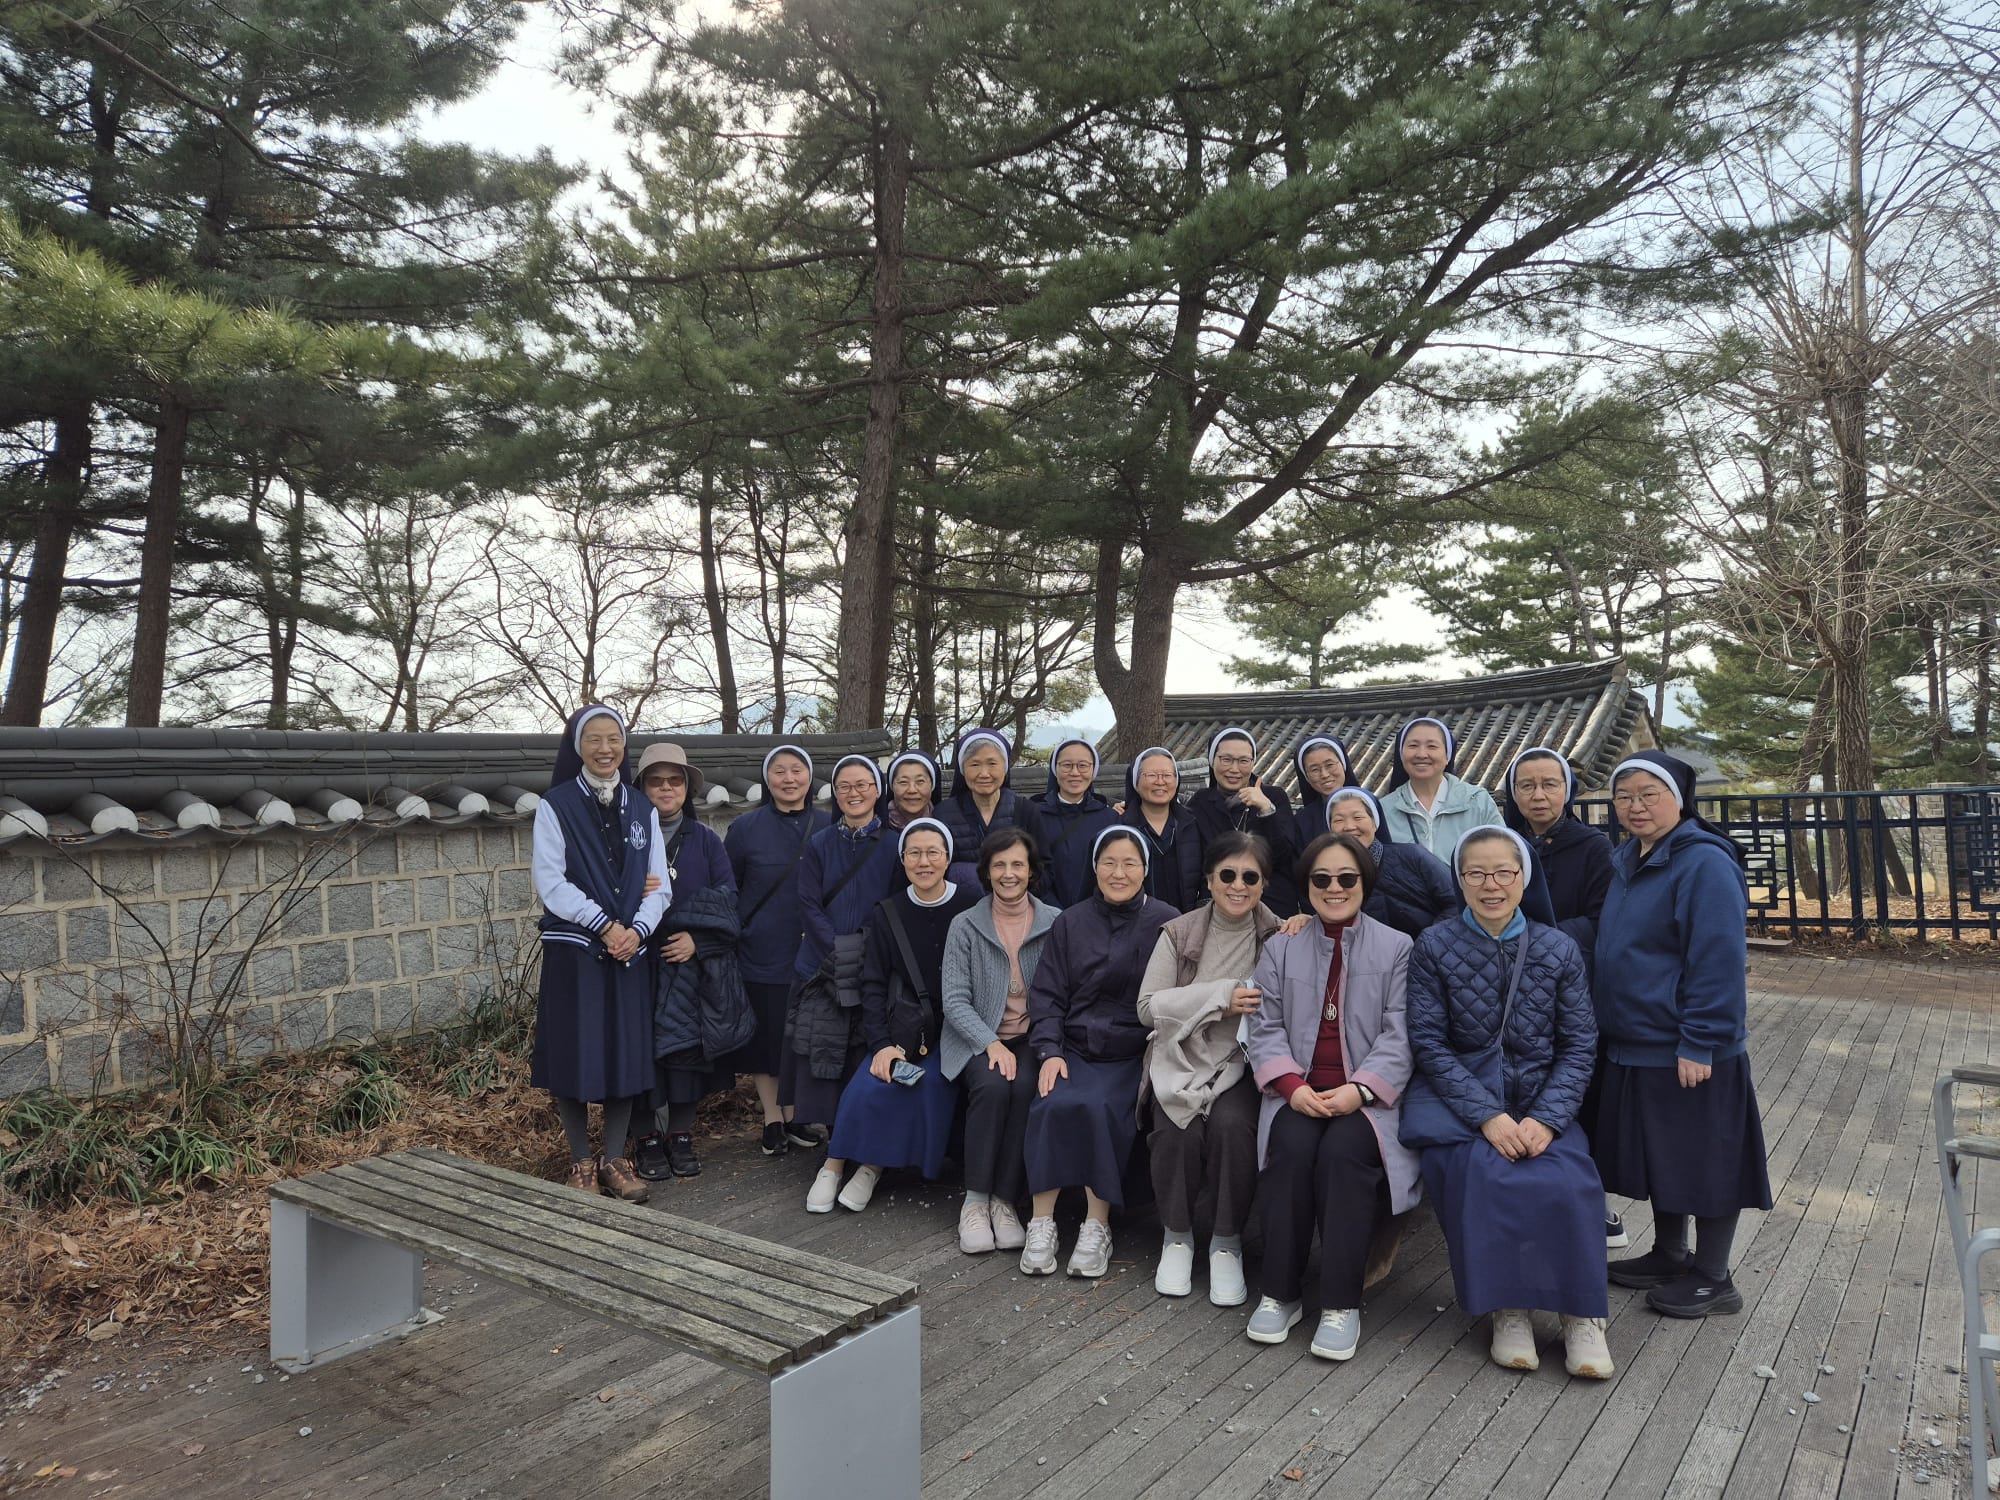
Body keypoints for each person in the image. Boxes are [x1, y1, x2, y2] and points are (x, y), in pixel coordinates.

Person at [1402, 826, 1613, 1379]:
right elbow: (1429, 1043)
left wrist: (1547, 1117)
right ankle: (1509, 1310)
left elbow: (1579, 1044)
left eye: (1503, 872)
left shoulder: (1557, 948)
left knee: (1568, 1179)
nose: (1490, 885)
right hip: (1464, 1104)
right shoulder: (1433, 946)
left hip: (1543, 1100)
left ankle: (1581, 1314)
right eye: (1475, 873)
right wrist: (1488, 1117)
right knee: (1486, 1173)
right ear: (1459, 879)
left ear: (1524, 878)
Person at [1595, 750, 1772, 1318]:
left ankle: (1714, 1277)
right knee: (1665, 1156)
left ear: (1679, 799)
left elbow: (1717, 957)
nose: (1635, 806)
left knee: (1706, 1159)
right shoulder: (1631, 857)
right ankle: (1671, 1253)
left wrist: (1701, 1039)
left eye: (1649, 794)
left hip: (1689, 1045)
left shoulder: (1702, 862)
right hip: (1639, 1040)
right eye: (1624, 796)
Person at [1244, 833, 1418, 1361]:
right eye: (1322, 878)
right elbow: (1264, 1026)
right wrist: (1291, 1087)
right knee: (1291, 1151)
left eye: (1347, 878)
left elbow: (1401, 1033)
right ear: (1307, 885)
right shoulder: (1281, 946)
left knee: (1344, 1155)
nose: (1334, 887)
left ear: (1365, 883)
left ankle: (1342, 1302)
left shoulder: (1397, 947)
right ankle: (1281, 1292)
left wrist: (1360, 1089)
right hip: (1296, 1091)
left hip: (1366, 1097)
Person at [1019, 827, 1178, 1278]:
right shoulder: (1070, 922)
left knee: (1101, 1107)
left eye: (1129, 863)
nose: (1118, 872)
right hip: (1073, 1047)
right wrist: (1049, 1051)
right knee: (1051, 1102)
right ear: (1095, 867)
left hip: (1134, 1051)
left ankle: (1097, 1224)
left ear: (1145, 869)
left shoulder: (1167, 922)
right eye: (1109, 862)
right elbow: (1047, 995)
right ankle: (1042, 1222)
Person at [1137, 831, 1284, 1307]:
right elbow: (1147, 1007)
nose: (1238, 886)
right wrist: (1220, 996)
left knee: (1233, 1127)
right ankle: (1177, 1237)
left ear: (1264, 884)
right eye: (1228, 875)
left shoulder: (1280, 935)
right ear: (1209, 878)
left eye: (1250, 877)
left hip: (1243, 1062)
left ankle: (1226, 1241)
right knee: (1174, 1129)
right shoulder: (1179, 933)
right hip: (1180, 1059)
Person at [529, 705, 670, 1202]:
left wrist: (638, 930)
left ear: (624, 746)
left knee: (623, 1051)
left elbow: (660, 884)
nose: (605, 748)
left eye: (614, 738)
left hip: (629, 949)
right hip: (575, 951)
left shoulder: (642, 807)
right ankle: (581, 1161)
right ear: (577, 746)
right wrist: (605, 925)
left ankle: (614, 1159)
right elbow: (551, 882)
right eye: (594, 739)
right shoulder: (556, 805)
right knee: (574, 1050)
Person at [809, 819, 981, 1213]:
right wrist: (882, 1044)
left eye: (933, 852)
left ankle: (871, 1167)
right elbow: (873, 984)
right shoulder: (889, 912)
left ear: (948, 858)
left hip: (956, 1031)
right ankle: (833, 1165)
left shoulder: (972, 906)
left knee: (926, 1084)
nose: (924, 862)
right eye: (914, 853)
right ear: (902, 860)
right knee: (870, 1083)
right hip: (906, 1027)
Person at [940, 827, 1061, 1253]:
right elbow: (954, 999)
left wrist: (1047, 1044)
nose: (1009, 874)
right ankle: (975, 1201)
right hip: (976, 1036)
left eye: (1017, 865)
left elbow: (1062, 993)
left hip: (1033, 1036)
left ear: (1031, 871)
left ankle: (1004, 1200)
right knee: (992, 1086)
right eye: (999, 865)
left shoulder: (1055, 922)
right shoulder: (964, 925)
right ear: (987, 872)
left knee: (1027, 1086)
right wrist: (990, 1043)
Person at [630, 742, 745, 1183]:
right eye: (656, 781)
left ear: (687, 788)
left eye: (675, 781)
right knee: (638, 1051)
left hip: (688, 964)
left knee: (686, 1053)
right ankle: (645, 1137)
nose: (666, 788)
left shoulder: (707, 840)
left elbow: (728, 900)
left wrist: (698, 940)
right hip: (637, 961)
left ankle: (679, 1133)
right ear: (642, 788)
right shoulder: (627, 835)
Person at [723, 745, 831, 1156]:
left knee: (801, 1036)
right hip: (761, 948)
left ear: (809, 776)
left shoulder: (829, 824)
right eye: (779, 771)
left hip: (813, 950)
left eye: (797, 770)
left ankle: (796, 1114)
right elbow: (729, 887)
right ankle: (772, 1118)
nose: (789, 779)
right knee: (767, 1038)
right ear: (767, 779)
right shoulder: (745, 828)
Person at [783, 755, 900, 1136]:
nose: (854, 793)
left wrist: (865, 950)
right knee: (822, 1054)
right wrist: (836, 949)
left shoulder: (895, 846)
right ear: (835, 794)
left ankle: (865, 1138)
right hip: (821, 966)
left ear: (878, 791)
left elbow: (894, 905)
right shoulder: (819, 843)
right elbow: (807, 903)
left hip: (872, 963)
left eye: (862, 785)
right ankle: (834, 1142)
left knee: (861, 1053)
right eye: (844, 787)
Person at [1501, 747, 1614, 961]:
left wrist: (1538, 938)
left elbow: (1603, 919)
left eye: (1550, 785)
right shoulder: (1504, 847)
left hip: (1572, 962)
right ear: (1514, 793)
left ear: (1567, 789)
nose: (1538, 796)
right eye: (1527, 786)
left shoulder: (1594, 847)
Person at [1187, 728, 1299, 914]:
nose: (1234, 769)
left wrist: (1266, 809)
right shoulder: (1201, 802)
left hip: (1272, 904)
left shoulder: (1274, 797)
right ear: (1212, 761)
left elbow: (1283, 854)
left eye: (1243, 761)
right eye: (1226, 759)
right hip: (1222, 904)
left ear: (1253, 762)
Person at [1325, 787, 1457, 937]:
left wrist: (1428, 942)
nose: (1349, 827)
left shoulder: (1413, 856)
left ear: (1375, 823)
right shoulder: (1327, 876)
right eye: (1339, 820)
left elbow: (1456, 902)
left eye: (1358, 817)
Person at [1377, 717, 1502, 858]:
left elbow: (1502, 853)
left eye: (1432, 746)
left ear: (1447, 755)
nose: (1421, 754)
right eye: (1413, 745)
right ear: (1401, 754)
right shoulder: (1383, 810)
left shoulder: (1478, 802)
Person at [1030, 738, 1118, 908]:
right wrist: (1053, 911)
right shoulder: (1034, 816)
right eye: (1067, 765)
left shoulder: (1110, 819)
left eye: (1083, 765)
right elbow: (1030, 870)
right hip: (1045, 912)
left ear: (1093, 770)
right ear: (1055, 769)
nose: (1075, 772)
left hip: (1097, 913)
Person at [1116, 747, 1203, 913]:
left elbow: (1208, 873)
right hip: (1138, 922)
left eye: (1167, 775)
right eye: (1151, 775)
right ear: (1135, 782)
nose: (1160, 781)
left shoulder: (1193, 823)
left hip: (1187, 920)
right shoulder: (1120, 827)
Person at [935, 728, 1044, 857]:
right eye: (975, 765)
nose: (984, 774)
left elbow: (1042, 864)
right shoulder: (942, 814)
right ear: (962, 769)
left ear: (1005, 768)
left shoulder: (1027, 811)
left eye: (992, 763)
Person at [1290, 735, 1358, 847]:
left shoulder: (1369, 807)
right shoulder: (1302, 822)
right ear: (1306, 777)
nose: (1325, 775)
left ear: (1343, 764)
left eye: (1330, 765)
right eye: (1314, 770)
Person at [884, 749, 943, 832]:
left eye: (920, 781)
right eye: (903, 782)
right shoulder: (878, 825)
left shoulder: (947, 823)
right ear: (892, 786)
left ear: (932, 785)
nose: (912, 790)